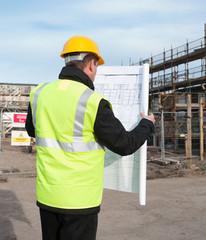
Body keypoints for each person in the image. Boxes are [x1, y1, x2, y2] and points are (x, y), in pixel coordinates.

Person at [25, 35, 155, 240]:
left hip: (48, 197)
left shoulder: (40, 93)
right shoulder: (93, 102)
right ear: (92, 64)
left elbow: (33, 131)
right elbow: (125, 144)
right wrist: (147, 124)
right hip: (80, 202)